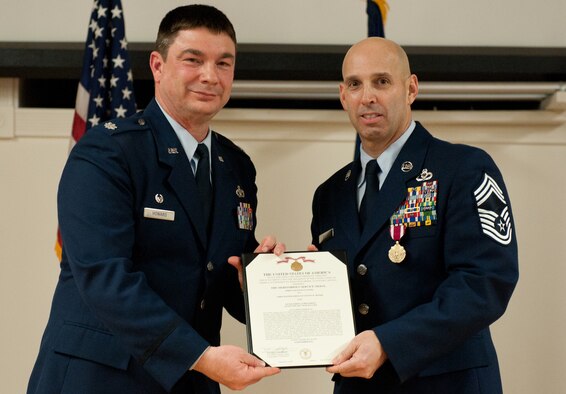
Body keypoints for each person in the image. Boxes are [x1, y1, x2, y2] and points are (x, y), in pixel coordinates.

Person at [27, 5, 283, 394]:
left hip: (189, 380)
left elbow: (216, 277)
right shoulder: (107, 153)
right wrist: (201, 356)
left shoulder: (236, 167)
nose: (209, 76)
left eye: (223, 63)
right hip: (99, 378)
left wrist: (262, 280)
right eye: (192, 60)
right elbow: (105, 278)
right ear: (158, 66)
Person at [309, 37, 518, 393]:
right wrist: (288, 281)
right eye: (355, 84)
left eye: (382, 81)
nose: (368, 97)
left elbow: (485, 282)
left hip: (448, 383)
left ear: (411, 89)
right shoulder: (330, 194)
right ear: (343, 96)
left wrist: (390, 343)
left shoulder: (463, 168)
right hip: (360, 385)